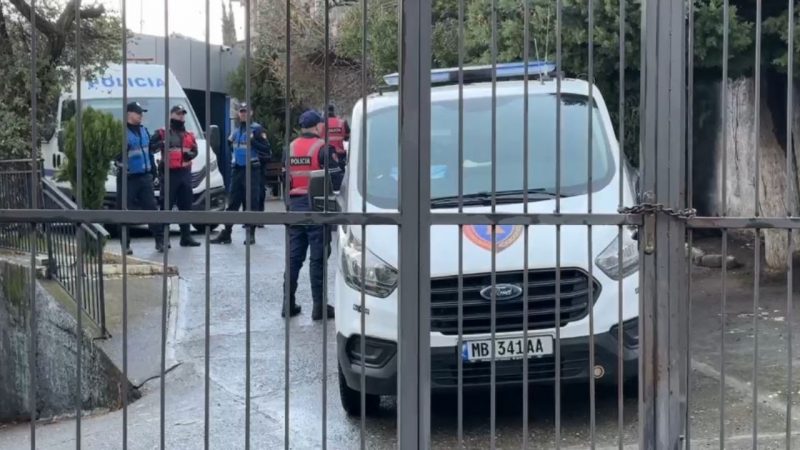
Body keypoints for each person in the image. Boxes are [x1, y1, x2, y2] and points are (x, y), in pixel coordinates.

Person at [283, 110, 339, 320]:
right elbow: (336, 179)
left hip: (295, 207)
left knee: (293, 258)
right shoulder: (323, 148)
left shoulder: (290, 148)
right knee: (318, 258)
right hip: (316, 206)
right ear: (317, 126)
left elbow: (285, 179)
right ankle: (319, 306)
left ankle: (287, 304)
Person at [210, 103, 271, 245]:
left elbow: (266, 149)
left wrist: (253, 142)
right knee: (232, 202)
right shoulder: (236, 130)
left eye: (246, 111)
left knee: (251, 203)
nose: (243, 114)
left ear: (251, 113)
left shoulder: (257, 129)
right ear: (239, 113)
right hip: (237, 170)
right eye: (241, 111)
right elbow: (230, 144)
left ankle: (250, 234)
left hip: (252, 170)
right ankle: (226, 233)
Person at [116, 102, 164, 254]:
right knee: (124, 212)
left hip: (144, 176)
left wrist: (154, 172)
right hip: (128, 178)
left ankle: (160, 241)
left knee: (152, 209)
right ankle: (125, 245)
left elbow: (149, 152)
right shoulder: (121, 132)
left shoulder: (144, 131)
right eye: (138, 113)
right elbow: (116, 156)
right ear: (129, 114)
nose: (141, 115)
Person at [150, 104, 201, 248]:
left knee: (186, 205)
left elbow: (195, 150)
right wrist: (162, 144)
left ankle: (186, 237)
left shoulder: (189, 135)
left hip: (185, 173)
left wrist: (191, 154)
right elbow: (151, 147)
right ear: (171, 115)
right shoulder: (162, 132)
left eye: (183, 114)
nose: (181, 116)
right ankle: (164, 238)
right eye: (178, 113)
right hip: (169, 174)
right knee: (166, 205)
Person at [324, 104, 349, 190]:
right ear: (333, 111)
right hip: (340, 155)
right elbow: (347, 137)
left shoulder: (321, 124)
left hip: (325, 156)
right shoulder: (342, 122)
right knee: (340, 180)